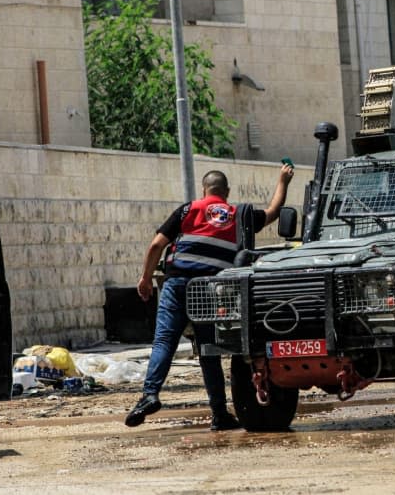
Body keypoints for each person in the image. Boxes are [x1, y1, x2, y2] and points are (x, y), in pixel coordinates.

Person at [125, 164, 294, 430]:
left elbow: (156, 245)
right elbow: (273, 212)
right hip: (209, 291)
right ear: (226, 192)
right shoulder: (239, 215)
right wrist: (283, 180)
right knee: (208, 351)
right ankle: (219, 413)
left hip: (177, 285)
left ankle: (150, 395)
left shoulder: (187, 209)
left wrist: (145, 279)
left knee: (163, 342)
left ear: (205, 190)